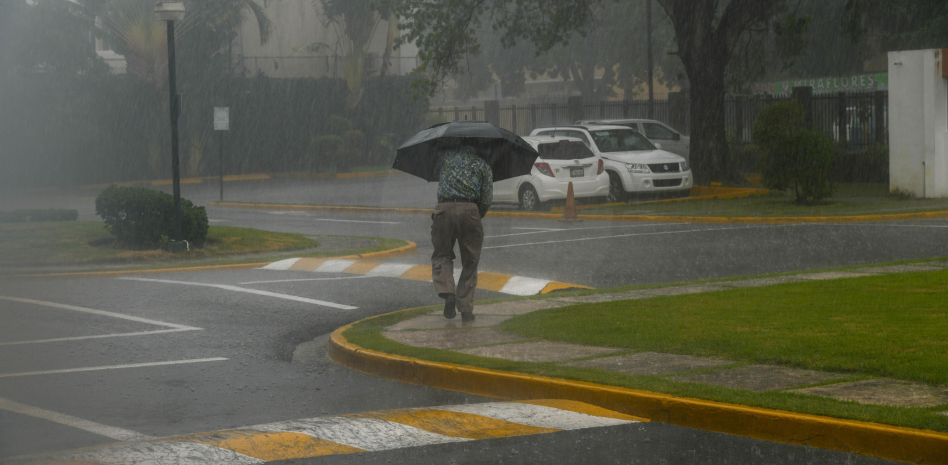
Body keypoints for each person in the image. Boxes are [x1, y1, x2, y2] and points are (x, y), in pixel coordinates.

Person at [431, 143, 493, 322]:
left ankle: (447, 291)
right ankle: (466, 309)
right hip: (470, 210)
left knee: (441, 254)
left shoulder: (445, 159)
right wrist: (476, 213)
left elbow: (437, 175)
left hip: (443, 208)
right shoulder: (483, 165)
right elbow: (486, 198)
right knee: (471, 260)